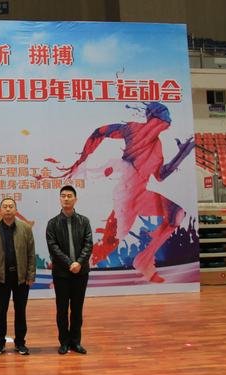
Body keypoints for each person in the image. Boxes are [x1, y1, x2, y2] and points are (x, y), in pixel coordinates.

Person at [48, 102, 194, 282]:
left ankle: (144, 260)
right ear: (152, 118)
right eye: (159, 120)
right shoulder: (132, 129)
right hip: (126, 196)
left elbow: (160, 175)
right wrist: (82, 159)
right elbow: (100, 132)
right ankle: (65, 272)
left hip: (141, 195)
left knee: (176, 214)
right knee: (108, 244)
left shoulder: (157, 146)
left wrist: (182, 155)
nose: (160, 124)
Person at [0, 197, 36, 356]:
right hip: (1, 278)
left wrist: (31, 275)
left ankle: (20, 343)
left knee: (20, 310)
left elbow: (31, 253)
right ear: (0, 210)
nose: (8, 209)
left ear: (16, 210)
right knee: (1, 311)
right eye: (5, 206)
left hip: (21, 278)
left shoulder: (25, 228)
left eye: (11, 206)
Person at [46, 186, 93, 355]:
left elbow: (88, 244)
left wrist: (79, 263)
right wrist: (70, 264)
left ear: (75, 199)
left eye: (69, 196)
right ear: (60, 199)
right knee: (62, 309)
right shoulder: (52, 223)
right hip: (61, 274)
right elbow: (53, 248)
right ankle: (64, 342)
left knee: (77, 309)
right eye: (63, 196)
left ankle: (76, 342)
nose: (66, 198)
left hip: (81, 273)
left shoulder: (84, 221)